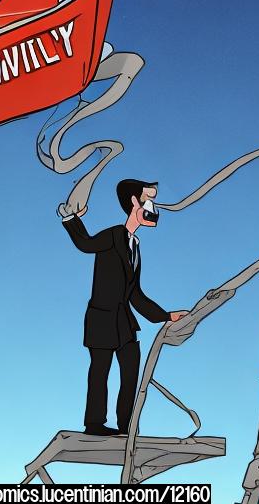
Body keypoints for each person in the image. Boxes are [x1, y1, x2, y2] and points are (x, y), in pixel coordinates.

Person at [61, 179, 187, 436]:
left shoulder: (135, 246)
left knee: (130, 375)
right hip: (102, 319)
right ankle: (95, 424)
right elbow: (86, 244)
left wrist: (165, 316)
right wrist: (70, 219)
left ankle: (126, 427)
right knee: (100, 373)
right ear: (133, 202)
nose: (153, 206)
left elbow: (136, 294)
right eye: (147, 199)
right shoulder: (113, 235)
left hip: (125, 324)